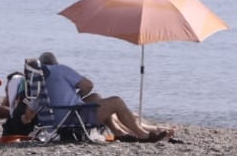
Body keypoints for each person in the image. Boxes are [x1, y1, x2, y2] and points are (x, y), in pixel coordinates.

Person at [37, 52, 176, 142]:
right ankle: (143, 135)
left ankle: (118, 132)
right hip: (73, 117)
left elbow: (33, 107)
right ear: (54, 62)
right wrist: (79, 94)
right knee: (116, 102)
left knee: (96, 97)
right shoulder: (60, 69)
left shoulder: (39, 78)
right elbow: (88, 85)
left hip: (57, 117)